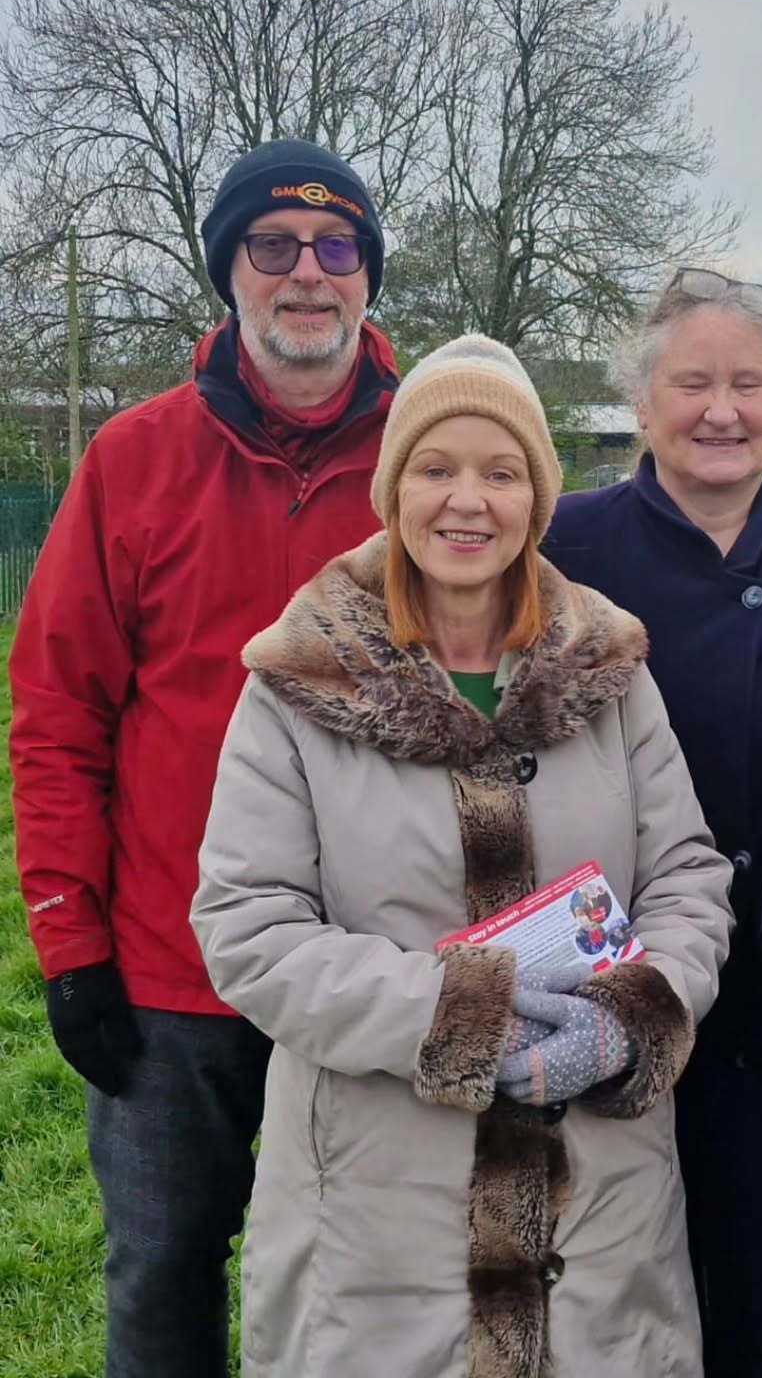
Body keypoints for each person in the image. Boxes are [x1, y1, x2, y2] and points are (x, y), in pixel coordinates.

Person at [191, 334, 734, 1378]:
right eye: (438, 469)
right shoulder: (300, 685)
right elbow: (250, 927)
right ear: (395, 490)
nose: (467, 502)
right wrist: (466, 1018)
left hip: (599, 1205)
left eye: (502, 472)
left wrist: (632, 1015)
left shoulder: (610, 671)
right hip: (379, 1202)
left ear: (539, 495)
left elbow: (689, 879)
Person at [10, 137, 400, 1378]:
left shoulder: (429, 464)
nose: (306, 275)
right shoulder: (133, 460)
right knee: (166, 1272)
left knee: (370, 1284)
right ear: (228, 269)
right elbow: (58, 711)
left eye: (337, 249)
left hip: (368, 965)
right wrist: (70, 941)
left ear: (368, 280)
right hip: (173, 978)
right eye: (272, 246)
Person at [544, 267, 762, 1377]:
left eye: (749, 384)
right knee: (632, 1293)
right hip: (623, 984)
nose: (722, 410)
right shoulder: (563, 547)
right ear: (643, 405)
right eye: (693, 384)